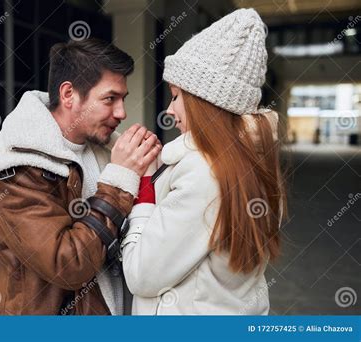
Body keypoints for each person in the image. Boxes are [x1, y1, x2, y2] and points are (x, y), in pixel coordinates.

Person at [121, 8, 287, 315]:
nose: (170, 110)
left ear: (204, 102)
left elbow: (141, 275)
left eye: (175, 96)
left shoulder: (203, 172)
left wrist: (145, 193)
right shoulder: (257, 160)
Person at [0, 38, 161, 315]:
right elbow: (68, 265)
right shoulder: (14, 167)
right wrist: (119, 181)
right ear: (68, 95)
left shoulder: (108, 149)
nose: (122, 112)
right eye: (109, 99)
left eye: (123, 99)